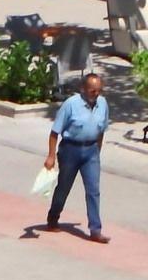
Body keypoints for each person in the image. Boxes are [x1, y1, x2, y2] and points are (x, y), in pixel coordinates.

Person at [41, 66, 112, 242]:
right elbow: (54, 132)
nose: (96, 94)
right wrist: (51, 156)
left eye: (99, 90)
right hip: (70, 150)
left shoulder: (102, 104)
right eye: (93, 91)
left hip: (91, 151)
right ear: (83, 89)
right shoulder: (71, 104)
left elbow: (101, 130)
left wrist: (97, 152)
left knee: (93, 190)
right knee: (64, 187)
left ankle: (95, 230)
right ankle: (53, 217)